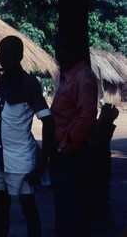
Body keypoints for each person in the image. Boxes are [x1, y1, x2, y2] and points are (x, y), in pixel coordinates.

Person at [0, 35, 55, 237]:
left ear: (20, 56)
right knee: (1, 207)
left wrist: (43, 163)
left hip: (21, 157)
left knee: (27, 208)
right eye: (1, 55)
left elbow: (48, 121)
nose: (4, 59)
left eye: (10, 55)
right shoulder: (1, 81)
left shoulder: (29, 82)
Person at [49, 33, 98, 237]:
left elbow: (86, 118)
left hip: (72, 154)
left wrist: (63, 146)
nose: (60, 54)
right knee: (65, 207)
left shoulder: (82, 77)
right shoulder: (68, 75)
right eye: (58, 49)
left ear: (76, 51)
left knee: (73, 209)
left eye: (65, 49)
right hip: (63, 153)